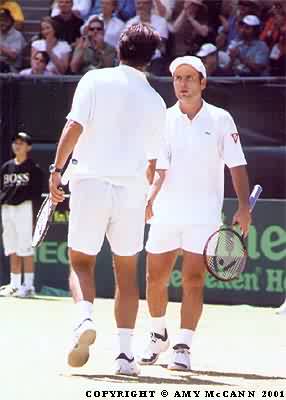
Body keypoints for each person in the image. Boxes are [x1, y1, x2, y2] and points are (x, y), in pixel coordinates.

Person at [49, 23, 166, 376]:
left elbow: (73, 128)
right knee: (127, 273)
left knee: (81, 262)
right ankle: (125, 357)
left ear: (119, 48)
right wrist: (148, 198)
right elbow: (152, 162)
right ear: (152, 58)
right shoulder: (158, 102)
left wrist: (56, 170)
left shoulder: (94, 80)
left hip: (90, 183)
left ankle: (84, 318)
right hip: (131, 190)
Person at [138, 56, 251, 371]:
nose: (183, 84)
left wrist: (243, 206)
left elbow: (236, 165)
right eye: (178, 78)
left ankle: (183, 346)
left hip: (203, 215)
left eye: (190, 78)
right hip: (165, 213)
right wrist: (150, 197)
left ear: (203, 82)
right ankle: (158, 334)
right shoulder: (162, 119)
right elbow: (160, 168)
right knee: (154, 277)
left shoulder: (221, 119)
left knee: (193, 279)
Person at [0, 132, 43, 298]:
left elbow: (36, 195)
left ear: (28, 147)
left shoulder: (34, 169)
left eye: (22, 143)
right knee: (12, 248)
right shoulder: (6, 167)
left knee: (25, 248)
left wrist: (34, 216)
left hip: (24, 208)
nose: (17, 145)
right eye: (15, 143)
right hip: (7, 209)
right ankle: (15, 285)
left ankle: (29, 286)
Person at [0, 8, 26, 73]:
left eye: (5, 20)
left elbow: (13, 56)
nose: (2, 23)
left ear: (11, 21)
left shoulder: (17, 35)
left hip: (10, 69)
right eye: (0, 20)